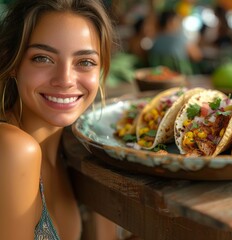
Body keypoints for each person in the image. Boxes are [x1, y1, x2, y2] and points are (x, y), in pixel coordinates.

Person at [0, 0, 119, 239]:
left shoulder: (72, 145)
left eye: (85, 62)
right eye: (43, 58)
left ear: (100, 70)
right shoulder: (12, 149)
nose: (65, 79)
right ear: (14, 64)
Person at [148, 9, 202, 75]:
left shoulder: (155, 39)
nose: (179, 23)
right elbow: (197, 56)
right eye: (178, 20)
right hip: (181, 77)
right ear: (170, 21)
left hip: (158, 76)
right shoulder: (180, 38)